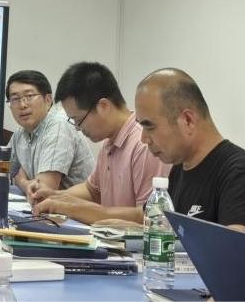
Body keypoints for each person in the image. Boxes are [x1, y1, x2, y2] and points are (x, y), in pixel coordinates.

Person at [134, 68, 245, 253]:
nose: (143, 138)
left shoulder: (240, 172)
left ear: (188, 120)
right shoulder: (179, 169)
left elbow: (235, 252)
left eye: (149, 126)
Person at [31, 62, 170, 224]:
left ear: (103, 106)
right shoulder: (110, 142)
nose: (77, 128)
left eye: (78, 119)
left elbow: (149, 215)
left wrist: (70, 208)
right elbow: (92, 190)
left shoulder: (143, 143)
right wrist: (54, 196)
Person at [0, 70, 94, 195]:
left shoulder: (59, 126)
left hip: (74, 208)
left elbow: (42, 192)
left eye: (29, 96)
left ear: (48, 99)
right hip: (46, 206)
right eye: (15, 99)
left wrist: (21, 181)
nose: (22, 105)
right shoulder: (20, 133)